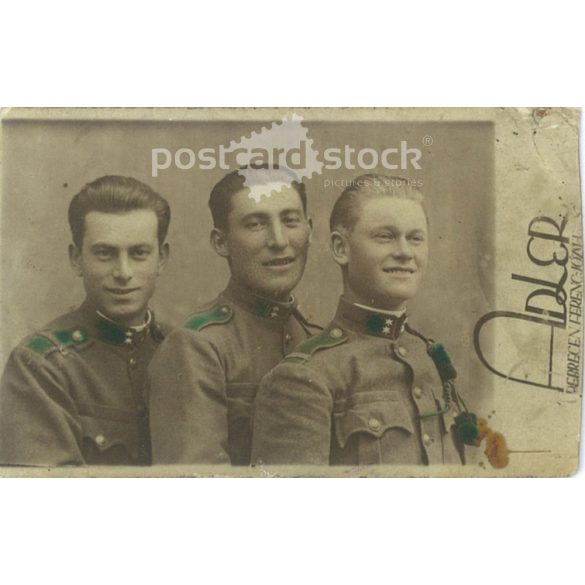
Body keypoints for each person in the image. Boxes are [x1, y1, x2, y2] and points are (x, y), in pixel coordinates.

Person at [251, 174, 465, 466]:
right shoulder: (304, 379)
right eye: (385, 237)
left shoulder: (430, 359)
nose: (404, 252)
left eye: (415, 238)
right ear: (341, 248)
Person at [148, 166, 321, 465]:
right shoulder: (197, 347)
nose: (279, 240)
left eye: (291, 221)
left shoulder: (317, 341)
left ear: (310, 230)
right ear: (221, 242)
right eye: (255, 224)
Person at [0, 175, 170, 466]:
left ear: (162, 259)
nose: (123, 271)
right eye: (105, 253)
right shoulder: (42, 365)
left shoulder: (183, 350)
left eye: (139, 253)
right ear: (76, 258)